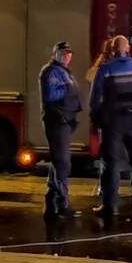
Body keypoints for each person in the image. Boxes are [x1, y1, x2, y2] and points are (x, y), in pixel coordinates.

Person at [89, 35, 132, 216]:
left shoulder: (105, 69)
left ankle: (110, 206)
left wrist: (97, 121)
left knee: (111, 164)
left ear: (112, 50)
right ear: (128, 48)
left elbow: (95, 99)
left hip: (114, 122)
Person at [39, 41, 82, 222]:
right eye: (63, 53)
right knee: (62, 163)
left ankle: (54, 204)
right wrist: (67, 89)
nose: (66, 56)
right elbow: (51, 95)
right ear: (55, 54)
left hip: (64, 122)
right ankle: (60, 204)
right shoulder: (51, 72)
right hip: (57, 122)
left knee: (59, 163)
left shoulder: (63, 71)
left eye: (68, 53)